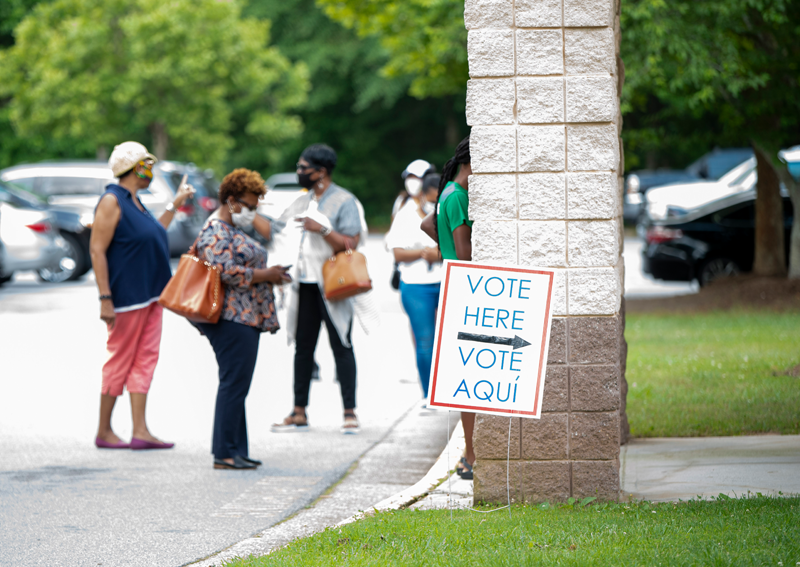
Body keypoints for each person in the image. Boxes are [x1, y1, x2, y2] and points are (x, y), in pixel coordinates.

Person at [91, 141, 194, 450]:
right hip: (126, 297)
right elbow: (96, 249)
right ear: (133, 169)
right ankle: (104, 431)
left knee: (145, 359)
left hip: (151, 295)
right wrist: (105, 298)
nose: (150, 172)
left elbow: (155, 234)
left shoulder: (135, 201)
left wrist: (175, 204)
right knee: (120, 359)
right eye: (146, 166)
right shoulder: (113, 200)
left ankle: (140, 431)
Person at [194, 169, 292, 470]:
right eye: (249, 206)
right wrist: (267, 275)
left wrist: (270, 274)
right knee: (233, 385)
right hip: (230, 318)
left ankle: (236, 449)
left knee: (237, 385)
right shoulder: (215, 231)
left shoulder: (230, 230)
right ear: (232, 201)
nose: (253, 212)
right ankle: (224, 453)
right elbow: (224, 271)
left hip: (245, 317)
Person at [271, 144, 368, 434]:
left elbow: (352, 243)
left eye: (303, 168)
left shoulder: (344, 201)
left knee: (341, 344)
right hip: (305, 285)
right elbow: (277, 229)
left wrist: (323, 229)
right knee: (303, 348)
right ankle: (298, 411)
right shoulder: (303, 200)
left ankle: (349, 412)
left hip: (333, 285)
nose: (299, 172)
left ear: (321, 172)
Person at [421, 136, 475, 480]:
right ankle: (471, 453)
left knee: (469, 374)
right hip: (466, 289)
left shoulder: (446, 194)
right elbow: (465, 252)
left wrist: (446, 255)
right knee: (471, 377)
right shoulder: (458, 196)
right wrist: (456, 254)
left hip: (451, 283)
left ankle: (470, 452)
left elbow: (427, 224)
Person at [384, 173, 442, 399]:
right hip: (416, 286)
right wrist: (424, 253)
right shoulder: (405, 214)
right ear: (423, 194)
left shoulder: (446, 209)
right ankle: (429, 395)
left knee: (448, 339)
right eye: (431, 198)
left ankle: (449, 392)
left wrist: (441, 255)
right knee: (425, 340)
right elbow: (397, 252)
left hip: (445, 281)